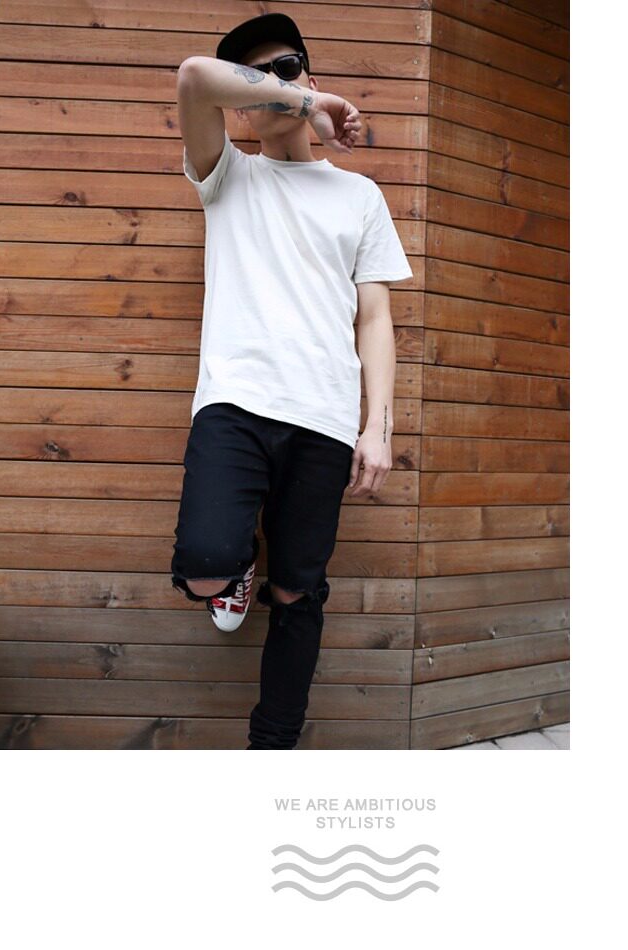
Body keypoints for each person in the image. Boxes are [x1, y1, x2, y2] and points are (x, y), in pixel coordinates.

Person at [169, 13, 413, 749]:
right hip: (235, 406)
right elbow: (193, 76)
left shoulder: (359, 196)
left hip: (325, 419)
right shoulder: (227, 174)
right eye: (256, 78)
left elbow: (375, 317)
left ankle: (271, 749)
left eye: (287, 67)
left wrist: (378, 426)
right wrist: (310, 101)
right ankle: (237, 565)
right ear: (241, 107)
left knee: (298, 593)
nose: (273, 83)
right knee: (205, 568)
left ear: (310, 72)